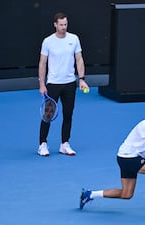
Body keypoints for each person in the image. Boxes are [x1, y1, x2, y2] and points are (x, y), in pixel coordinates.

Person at [37, 12, 89, 157]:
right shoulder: (48, 41)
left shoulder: (74, 39)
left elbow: (79, 60)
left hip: (70, 84)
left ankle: (64, 144)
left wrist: (82, 79)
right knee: (48, 115)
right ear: (55, 25)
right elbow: (42, 63)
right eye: (61, 25)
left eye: (65, 24)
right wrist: (42, 84)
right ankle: (42, 144)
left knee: (68, 114)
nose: (63, 27)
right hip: (53, 84)